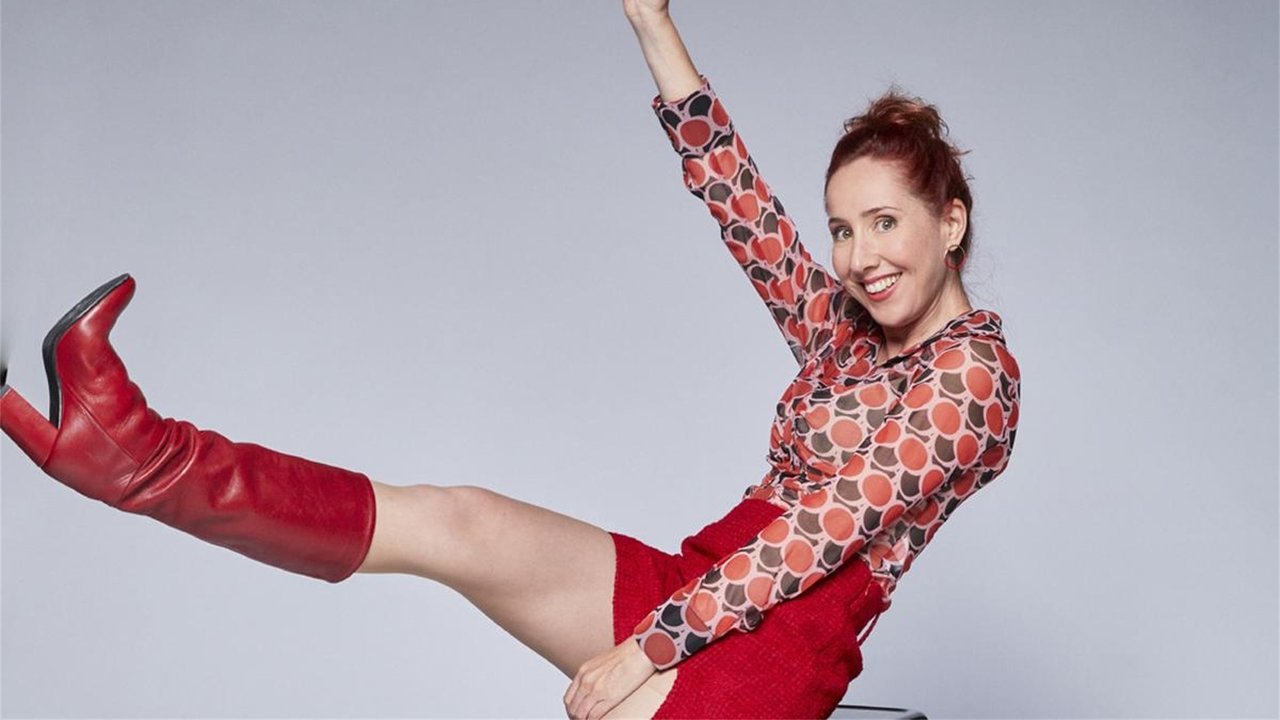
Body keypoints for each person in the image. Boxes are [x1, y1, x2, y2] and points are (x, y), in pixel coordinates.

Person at [0, 1, 1021, 718]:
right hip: (708, 580)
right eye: (842, 228)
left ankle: (124, 455)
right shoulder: (846, 334)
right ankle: (131, 455)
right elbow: (742, 208)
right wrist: (651, 22)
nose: (859, 256)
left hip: (775, 640)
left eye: (884, 222)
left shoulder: (974, 381)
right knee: (461, 519)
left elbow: (819, 533)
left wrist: (648, 649)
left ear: (950, 221)